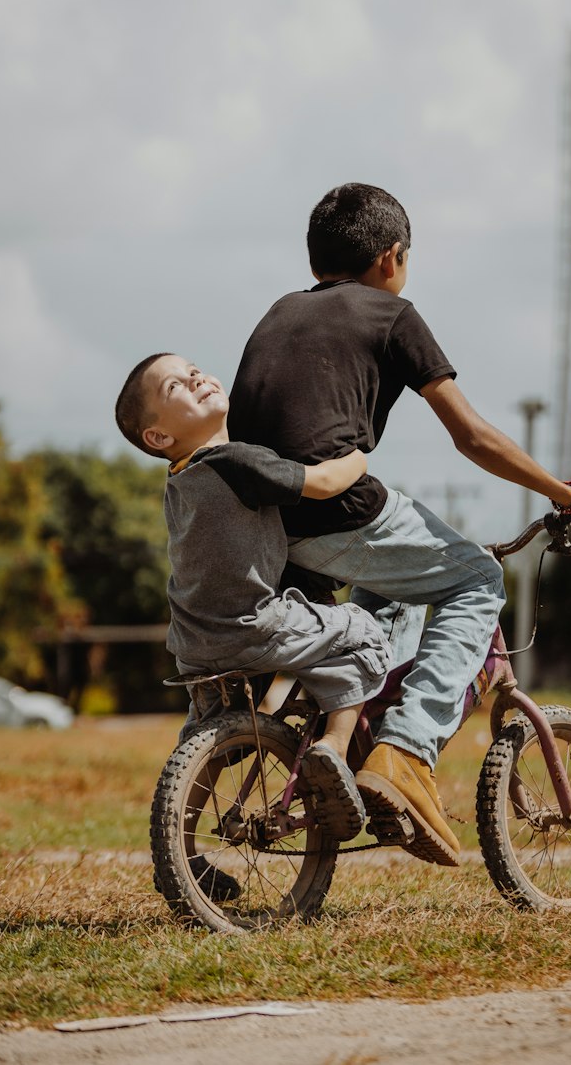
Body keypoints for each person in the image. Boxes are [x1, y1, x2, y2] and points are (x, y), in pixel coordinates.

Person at [228, 182, 571, 868]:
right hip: (338, 505)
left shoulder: (277, 312)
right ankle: (405, 750)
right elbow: (471, 436)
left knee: (390, 594)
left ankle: (347, 742)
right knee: (475, 575)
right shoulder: (391, 312)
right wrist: (565, 492)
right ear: (393, 255)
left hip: (263, 519)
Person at [114, 351, 391, 843]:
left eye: (193, 368)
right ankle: (333, 744)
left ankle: (179, 844)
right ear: (158, 437)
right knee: (363, 631)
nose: (195, 376)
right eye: (174, 386)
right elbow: (324, 483)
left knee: (209, 738)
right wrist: (360, 454)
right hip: (254, 624)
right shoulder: (238, 460)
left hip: (195, 640)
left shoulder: (181, 480)